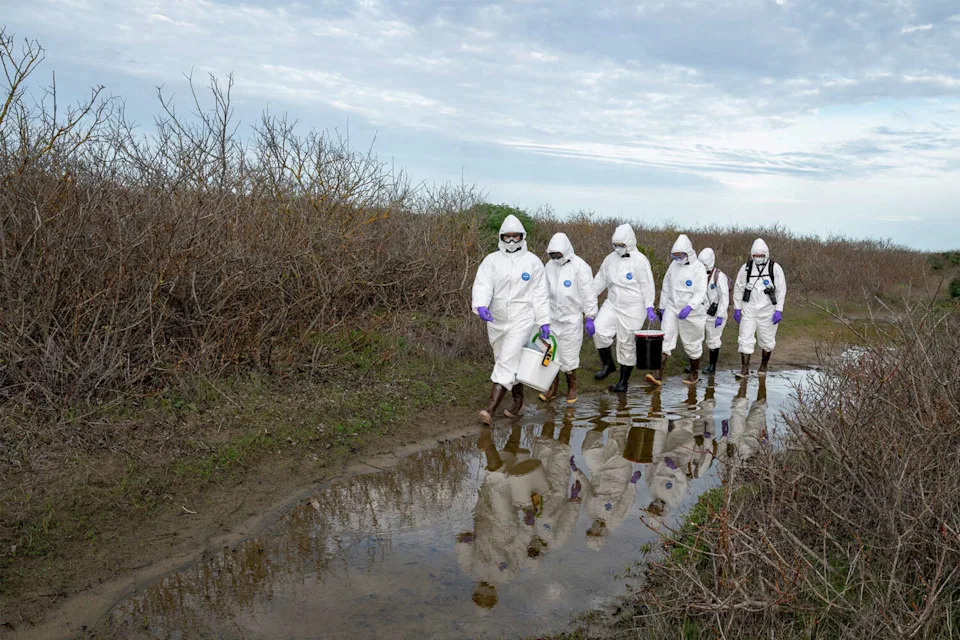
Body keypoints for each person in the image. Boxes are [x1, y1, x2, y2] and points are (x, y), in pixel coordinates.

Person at [471, 215, 551, 424]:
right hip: (497, 320)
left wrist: (544, 320)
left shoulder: (533, 262)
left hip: (522, 318)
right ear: (501, 237)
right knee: (504, 360)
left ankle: (490, 409)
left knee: (506, 361)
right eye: (508, 236)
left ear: (523, 237)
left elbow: (540, 294)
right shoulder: (491, 260)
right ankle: (519, 402)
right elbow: (483, 285)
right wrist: (481, 305)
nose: (512, 240)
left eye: (516, 236)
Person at [592, 224, 657, 393]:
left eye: (621, 245)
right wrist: (588, 297)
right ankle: (608, 364)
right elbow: (600, 279)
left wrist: (649, 306)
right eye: (615, 245)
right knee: (599, 330)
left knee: (626, 342)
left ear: (629, 243)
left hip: (634, 307)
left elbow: (647, 285)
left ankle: (623, 382)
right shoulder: (610, 259)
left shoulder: (640, 260)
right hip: (612, 303)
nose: (618, 248)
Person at [540, 233, 598, 404]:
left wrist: (590, 316)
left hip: (571, 319)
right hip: (552, 317)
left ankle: (572, 386)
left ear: (565, 251)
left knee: (569, 355)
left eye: (558, 254)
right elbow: (542, 293)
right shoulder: (549, 266)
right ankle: (552, 387)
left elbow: (588, 294)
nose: (555, 258)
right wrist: (542, 319)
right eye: (552, 255)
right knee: (550, 354)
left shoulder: (580, 267)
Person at [646, 234, 707, 386]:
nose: (678, 258)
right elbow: (666, 286)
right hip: (673, 308)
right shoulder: (673, 266)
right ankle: (658, 374)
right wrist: (662, 308)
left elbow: (700, 291)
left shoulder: (698, 267)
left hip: (692, 312)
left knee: (692, 343)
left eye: (680, 255)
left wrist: (689, 307)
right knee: (665, 338)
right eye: (676, 255)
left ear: (688, 253)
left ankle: (694, 373)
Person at [732, 239, 786, 377]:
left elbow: (781, 290)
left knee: (767, 342)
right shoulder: (746, 268)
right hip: (749, 310)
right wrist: (737, 308)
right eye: (755, 256)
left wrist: (779, 310)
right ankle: (744, 368)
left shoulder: (775, 268)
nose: (758, 259)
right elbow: (739, 288)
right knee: (745, 339)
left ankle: (764, 364)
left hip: (768, 311)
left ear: (766, 254)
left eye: (760, 256)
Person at [698, 247, 729, 375]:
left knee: (713, 339)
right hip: (700, 312)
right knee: (696, 338)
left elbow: (724, 296)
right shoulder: (698, 274)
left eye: (704, 264)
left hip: (715, 314)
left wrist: (720, 315)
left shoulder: (719, 276)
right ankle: (694, 365)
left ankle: (712, 366)